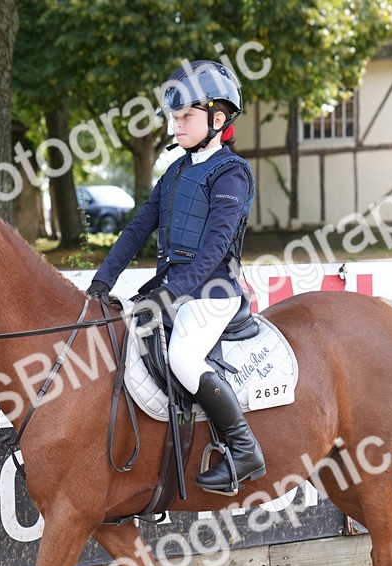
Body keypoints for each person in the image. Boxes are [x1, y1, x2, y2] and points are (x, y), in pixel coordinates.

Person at [87, 60, 264, 494]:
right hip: (171, 290)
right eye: (174, 116)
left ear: (217, 119)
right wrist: (101, 282)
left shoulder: (232, 173)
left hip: (212, 292)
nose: (177, 125)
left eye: (186, 116)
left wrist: (169, 296)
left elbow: (215, 250)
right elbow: (136, 230)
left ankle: (244, 451)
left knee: (183, 359)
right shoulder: (175, 172)